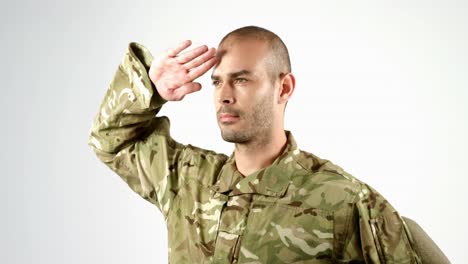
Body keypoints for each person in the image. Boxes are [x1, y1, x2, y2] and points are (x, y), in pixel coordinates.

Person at [88, 26, 421, 263]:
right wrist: (149, 88)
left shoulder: (344, 201)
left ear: (284, 87)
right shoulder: (187, 180)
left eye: (241, 79)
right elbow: (110, 141)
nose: (224, 95)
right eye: (217, 81)